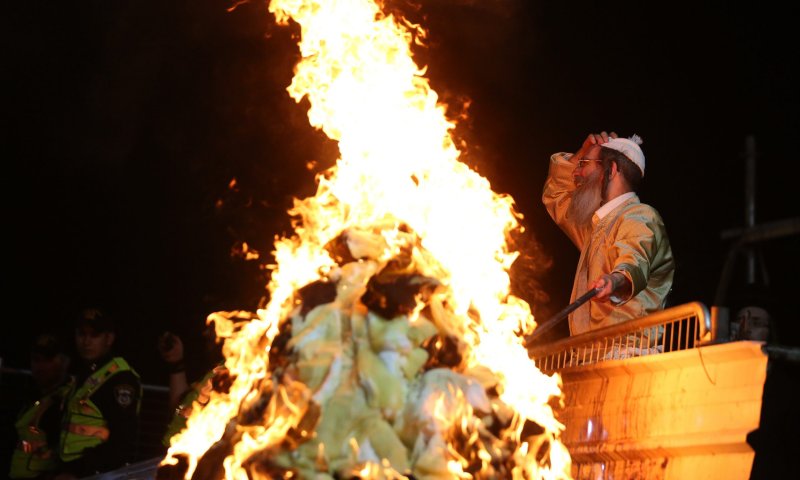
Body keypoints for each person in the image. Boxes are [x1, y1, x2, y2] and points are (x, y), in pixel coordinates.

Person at [542, 131, 675, 336]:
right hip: (594, 355)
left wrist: (615, 281)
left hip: (626, 356)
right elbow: (557, 195)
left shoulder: (640, 216)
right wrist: (580, 154)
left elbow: (633, 261)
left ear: (611, 170)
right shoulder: (597, 226)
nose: (576, 173)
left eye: (584, 164)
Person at [54, 307, 142, 479]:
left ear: (109, 338)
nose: (86, 342)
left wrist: (78, 471)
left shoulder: (120, 378)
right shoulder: (84, 372)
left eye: (94, 335)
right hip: (69, 468)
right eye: (81, 334)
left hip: (95, 474)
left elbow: (122, 441)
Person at [8, 333, 74, 479]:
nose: (40, 366)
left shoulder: (67, 400)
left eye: (48, 360)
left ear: (64, 362)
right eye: (36, 360)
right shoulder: (32, 396)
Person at [157, 325, 227, 448]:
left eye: (211, 329)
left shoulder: (232, 373)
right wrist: (176, 362)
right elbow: (178, 406)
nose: (205, 334)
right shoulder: (214, 370)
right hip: (175, 450)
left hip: (195, 455)